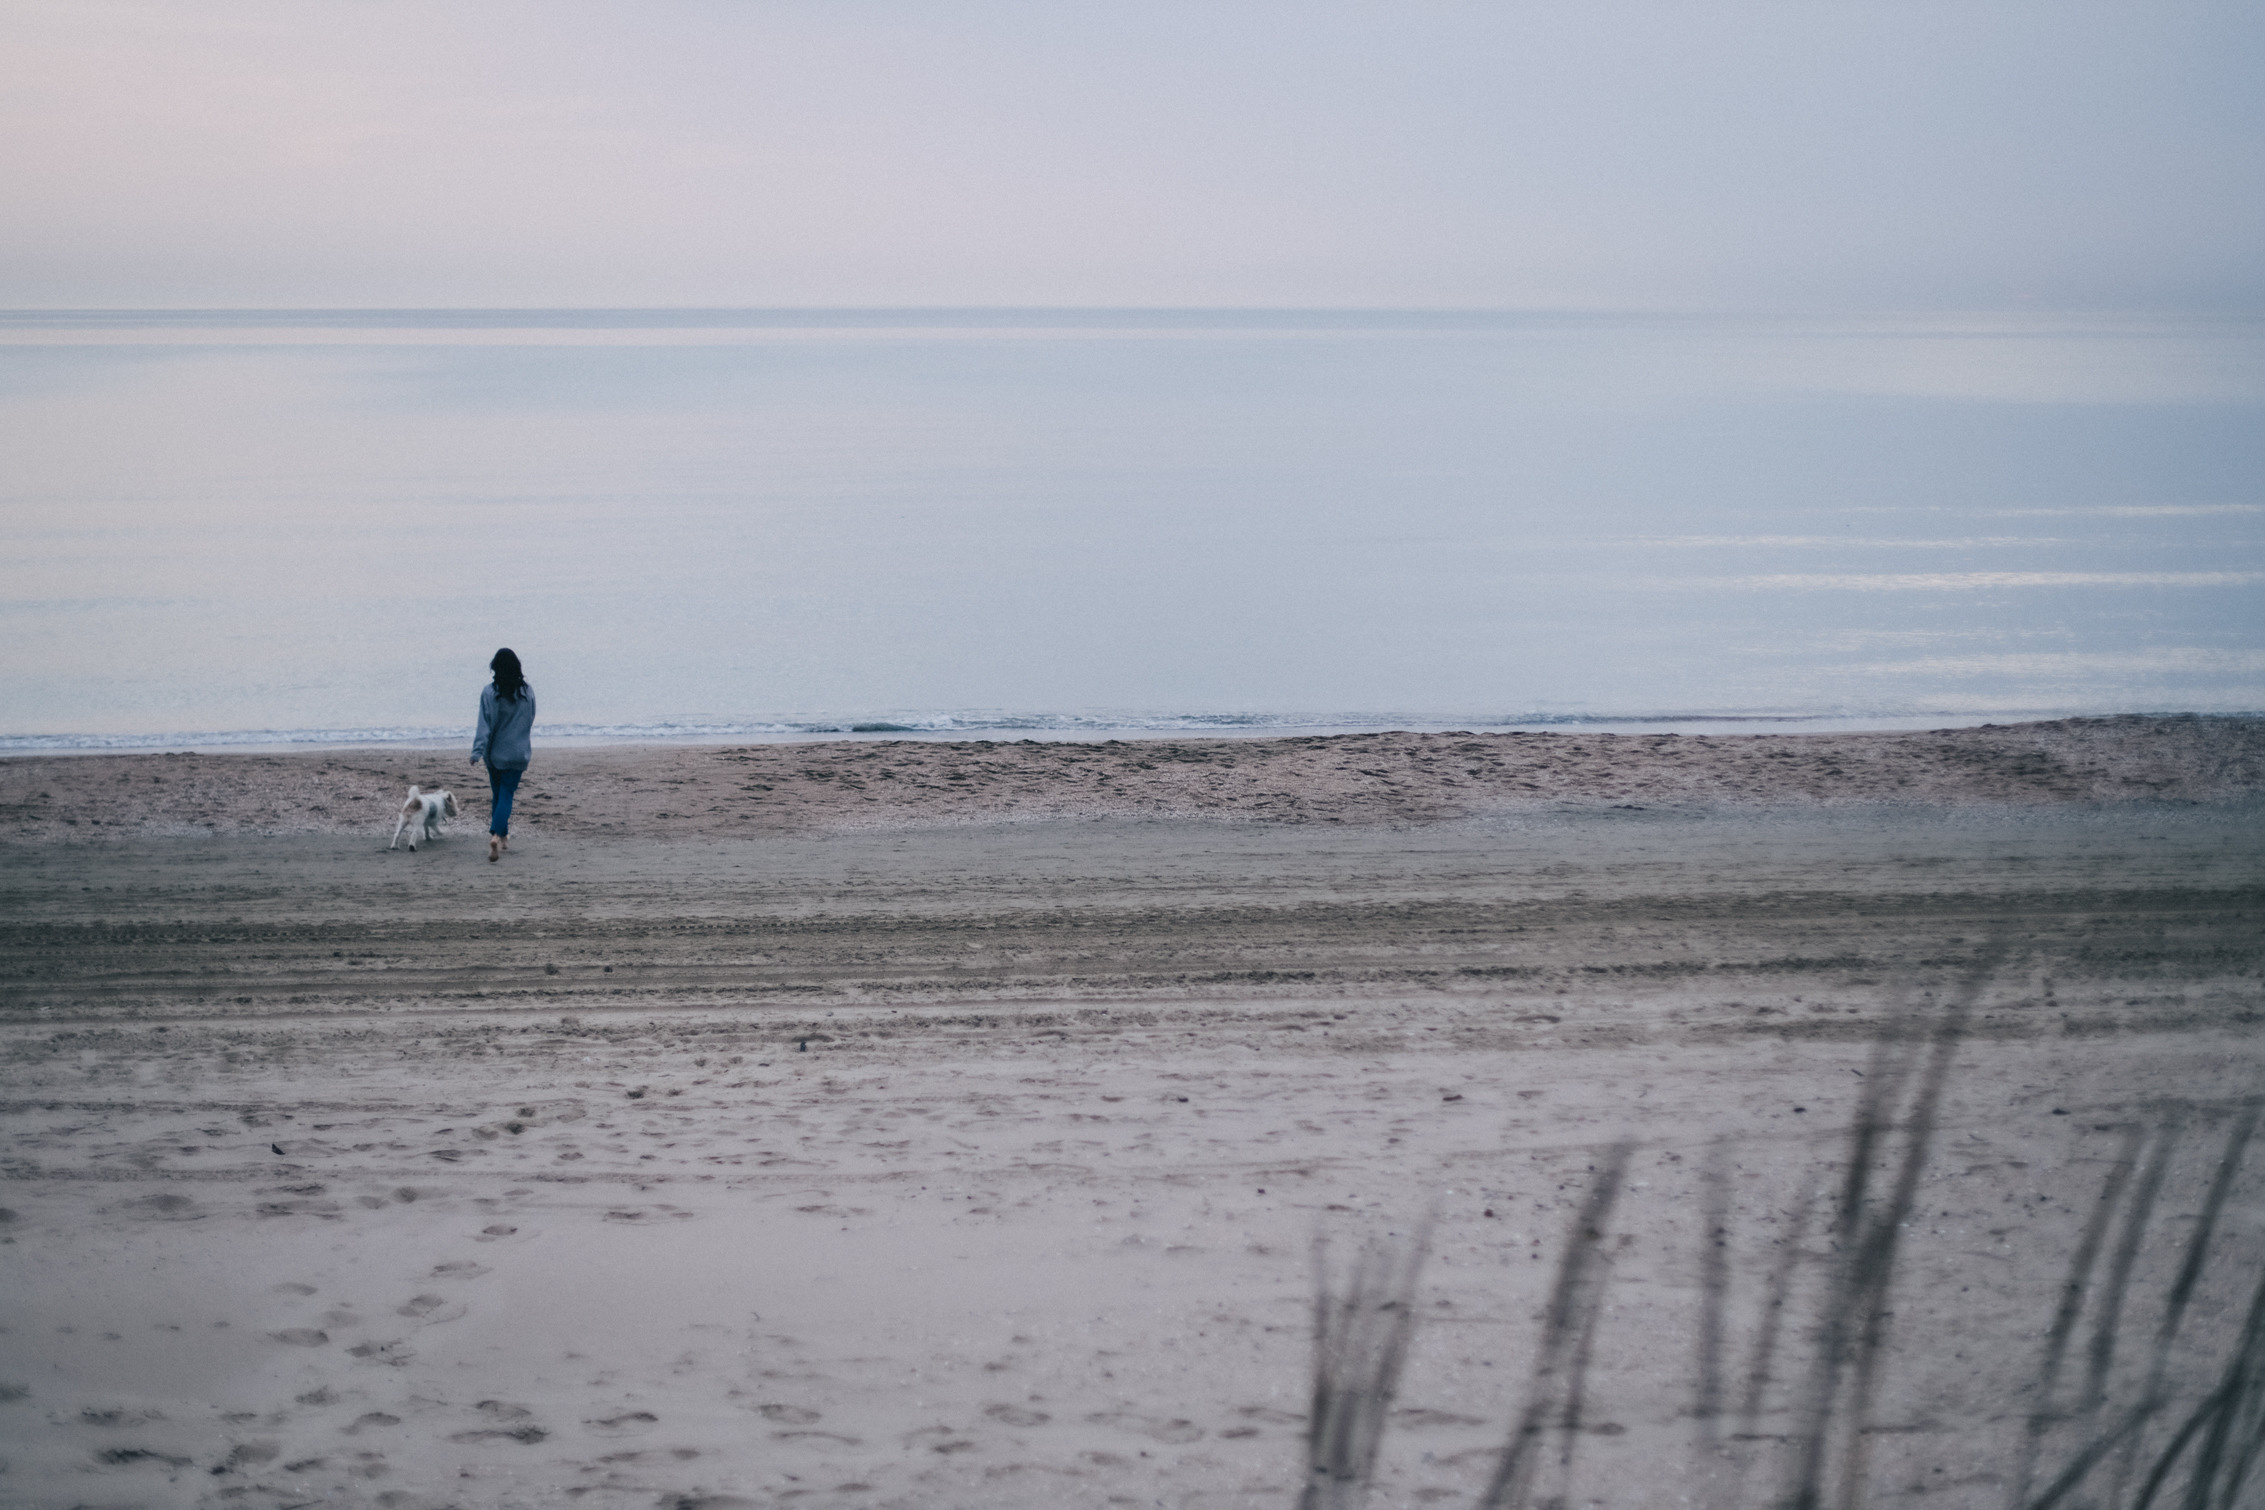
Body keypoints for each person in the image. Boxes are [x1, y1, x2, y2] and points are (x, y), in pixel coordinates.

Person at [470, 647, 536, 862]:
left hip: (496, 755)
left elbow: (484, 726)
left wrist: (477, 751)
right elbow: (530, 719)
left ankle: (496, 835)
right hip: (518, 753)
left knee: (498, 795)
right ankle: (501, 836)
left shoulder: (489, 693)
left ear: (495, 668)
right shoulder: (527, 692)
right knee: (505, 795)